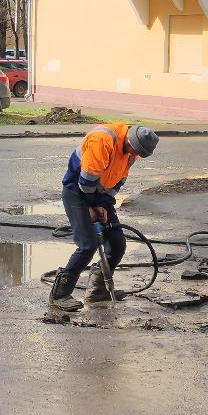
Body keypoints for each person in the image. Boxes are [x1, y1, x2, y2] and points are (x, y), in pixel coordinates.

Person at [50, 122, 160, 310]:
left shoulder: (131, 152)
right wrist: (91, 206)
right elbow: (85, 181)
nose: (134, 155)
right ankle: (60, 294)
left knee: (117, 244)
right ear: (130, 139)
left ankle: (97, 290)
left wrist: (103, 204)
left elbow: (118, 181)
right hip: (77, 191)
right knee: (88, 245)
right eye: (135, 151)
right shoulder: (103, 139)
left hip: (98, 194)